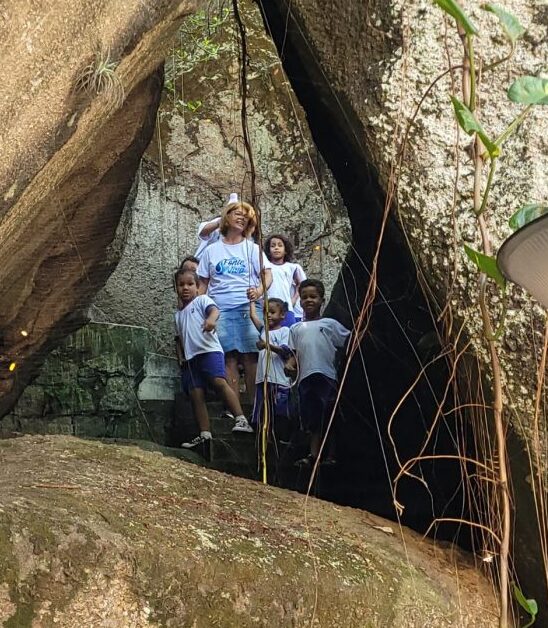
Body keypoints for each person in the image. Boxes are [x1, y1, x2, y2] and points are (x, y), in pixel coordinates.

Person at [197, 200, 272, 431]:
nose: (242, 218)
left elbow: (267, 275)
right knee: (228, 357)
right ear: (226, 217)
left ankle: (254, 409)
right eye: (237, 213)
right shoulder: (211, 250)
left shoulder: (252, 248)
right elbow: (203, 285)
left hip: (247, 307)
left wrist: (259, 290)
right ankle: (236, 411)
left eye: (246, 216)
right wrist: (201, 310)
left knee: (251, 357)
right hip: (221, 307)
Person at [174, 269, 250, 447]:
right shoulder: (177, 315)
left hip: (209, 351)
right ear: (176, 288)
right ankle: (205, 433)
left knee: (218, 382)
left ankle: (241, 419)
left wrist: (211, 320)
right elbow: (179, 338)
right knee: (196, 393)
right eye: (181, 284)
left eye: (190, 284)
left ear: (198, 287)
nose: (186, 288)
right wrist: (181, 357)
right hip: (191, 359)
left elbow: (214, 311)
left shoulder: (202, 301)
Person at [284, 278, 350, 466]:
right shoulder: (295, 328)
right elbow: (294, 354)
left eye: (313, 296)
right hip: (305, 377)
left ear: (322, 299)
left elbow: (349, 341)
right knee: (311, 417)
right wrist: (289, 365)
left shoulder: (330, 324)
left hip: (326, 374)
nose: (309, 300)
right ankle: (314, 455)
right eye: (304, 297)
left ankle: (331, 455)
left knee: (329, 413)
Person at [249, 299, 292, 439]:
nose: (268, 315)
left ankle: (281, 438)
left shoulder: (285, 331)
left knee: (279, 410)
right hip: (263, 379)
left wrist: (267, 345)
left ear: (282, 315)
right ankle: (264, 439)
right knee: (262, 411)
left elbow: (285, 351)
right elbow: (253, 317)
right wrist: (252, 301)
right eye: (265, 312)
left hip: (279, 379)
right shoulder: (263, 331)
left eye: (272, 312)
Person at [264, 234, 306, 327]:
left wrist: (293, 300)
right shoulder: (266, 267)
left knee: (288, 335)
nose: (276, 248)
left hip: (286, 309)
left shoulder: (291, 267)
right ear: (268, 250)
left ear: (285, 250)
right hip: (269, 309)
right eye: (273, 246)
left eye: (280, 245)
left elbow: (301, 284)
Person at [194, 193, 238, 259]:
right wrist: (221, 222)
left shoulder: (242, 230)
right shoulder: (217, 223)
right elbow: (202, 232)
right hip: (201, 262)